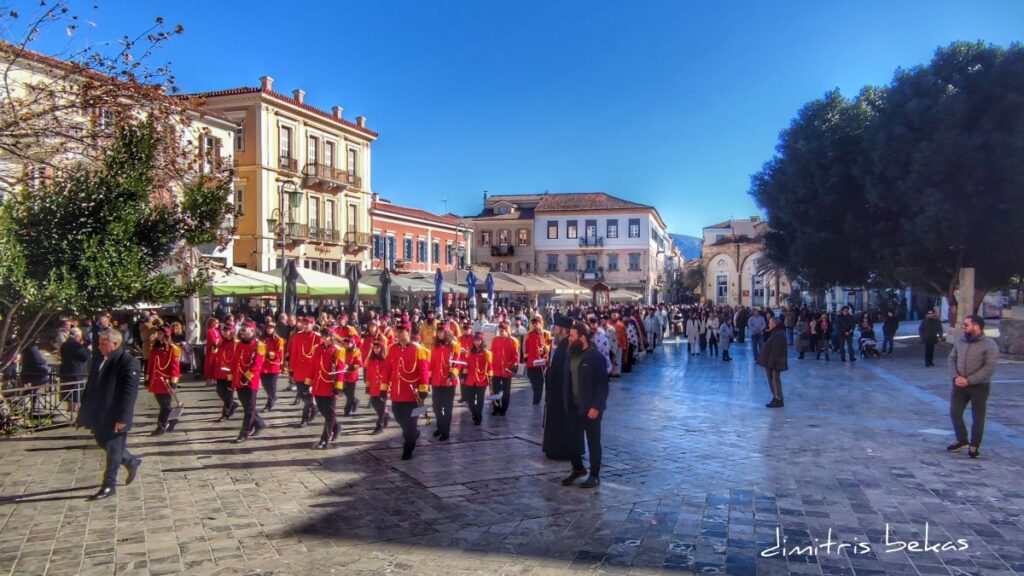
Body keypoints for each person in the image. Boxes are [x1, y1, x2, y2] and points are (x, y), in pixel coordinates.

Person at [77, 328, 142, 501]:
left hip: (115, 413)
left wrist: (123, 419)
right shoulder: (101, 359)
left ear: (115, 344)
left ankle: (109, 485)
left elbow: (129, 394)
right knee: (101, 440)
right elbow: (93, 383)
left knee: (113, 450)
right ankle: (130, 460)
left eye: (103, 343)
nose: (99, 347)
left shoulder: (128, 362)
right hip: (99, 411)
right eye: (99, 343)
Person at [561, 323, 609, 489]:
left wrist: (596, 406)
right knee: (572, 440)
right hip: (574, 407)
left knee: (593, 442)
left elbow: (603, 385)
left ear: (582, 337)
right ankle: (578, 468)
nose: (569, 338)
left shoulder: (595, 357)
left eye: (572, 335)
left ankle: (594, 475)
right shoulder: (571, 355)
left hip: (590, 409)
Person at [946, 315, 998, 459]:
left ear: (976, 326)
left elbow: (989, 368)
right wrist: (955, 377)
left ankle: (974, 445)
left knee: (978, 418)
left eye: (966, 324)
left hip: (979, 386)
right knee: (955, 412)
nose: (964, 327)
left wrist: (969, 380)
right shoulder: (960, 341)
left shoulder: (989, 344)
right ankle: (962, 439)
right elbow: (951, 359)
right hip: (959, 385)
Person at [383, 323, 430, 460]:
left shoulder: (418, 349)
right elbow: (387, 370)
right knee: (398, 417)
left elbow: (424, 370)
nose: (400, 334)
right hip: (397, 393)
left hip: (413, 394)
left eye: (403, 332)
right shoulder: (391, 349)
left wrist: (423, 389)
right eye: (398, 332)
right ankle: (413, 434)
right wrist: (383, 389)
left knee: (411, 422)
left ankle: (408, 449)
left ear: (408, 332)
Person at [543, 314, 575, 459]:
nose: (554, 331)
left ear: (563, 331)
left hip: (561, 397)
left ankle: (559, 451)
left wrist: (549, 374)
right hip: (556, 395)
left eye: (556, 328)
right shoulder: (561, 346)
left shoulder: (567, 348)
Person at [231, 321, 266, 443]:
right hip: (239, 381)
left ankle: (244, 433)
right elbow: (235, 362)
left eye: (244, 330)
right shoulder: (239, 344)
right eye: (241, 330)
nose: (242, 332)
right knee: (247, 407)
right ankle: (259, 423)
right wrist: (232, 379)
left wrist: (246, 378)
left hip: (251, 382)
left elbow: (257, 365)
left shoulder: (259, 345)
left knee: (249, 409)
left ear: (252, 331)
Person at [310, 326, 344, 449]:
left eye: (326, 336)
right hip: (318, 385)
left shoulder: (337, 350)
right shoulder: (317, 349)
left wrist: (338, 386)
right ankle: (336, 427)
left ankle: (325, 438)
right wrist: (309, 381)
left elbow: (340, 369)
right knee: (322, 409)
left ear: (331, 337)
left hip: (330, 385)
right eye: (322, 336)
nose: (323, 338)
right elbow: (313, 366)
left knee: (329, 414)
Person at [146, 326, 181, 435]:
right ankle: (173, 419)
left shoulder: (173, 349)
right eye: (158, 333)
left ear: (166, 335)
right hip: (155, 381)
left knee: (165, 406)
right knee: (164, 405)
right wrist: (147, 378)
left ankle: (161, 426)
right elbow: (150, 365)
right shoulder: (155, 348)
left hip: (166, 382)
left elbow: (175, 368)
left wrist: (173, 383)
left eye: (160, 334)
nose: (158, 336)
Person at [288, 317, 321, 426]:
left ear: (313, 324)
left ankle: (304, 419)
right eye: (303, 324)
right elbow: (294, 354)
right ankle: (315, 407)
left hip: (311, 372)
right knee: (302, 394)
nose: (305, 326)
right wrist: (291, 369)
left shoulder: (318, 338)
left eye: (307, 324)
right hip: (299, 371)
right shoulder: (297, 336)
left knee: (307, 396)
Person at [429, 328, 460, 440]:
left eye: (441, 331)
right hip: (437, 380)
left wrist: (451, 377)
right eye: (438, 331)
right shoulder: (435, 345)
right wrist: (428, 378)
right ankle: (440, 426)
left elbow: (457, 364)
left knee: (447, 407)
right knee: (436, 406)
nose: (439, 334)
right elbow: (431, 362)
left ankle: (445, 431)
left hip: (449, 382)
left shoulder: (454, 346)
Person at [757, 317, 788, 408]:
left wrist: (770, 364)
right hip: (772, 363)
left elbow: (775, 351)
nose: (769, 325)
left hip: (775, 363)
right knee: (773, 381)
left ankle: (778, 399)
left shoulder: (778, 334)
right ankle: (776, 397)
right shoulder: (776, 333)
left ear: (774, 324)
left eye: (770, 323)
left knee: (775, 381)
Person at [490, 322, 520, 416]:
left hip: (507, 371)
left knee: (506, 392)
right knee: (495, 390)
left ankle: (503, 409)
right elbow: (492, 353)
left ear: (507, 330)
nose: (501, 332)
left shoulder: (513, 341)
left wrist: (514, 366)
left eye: (502, 330)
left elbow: (516, 356)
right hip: (496, 370)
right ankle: (496, 408)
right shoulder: (495, 340)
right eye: (500, 330)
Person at [59, 327, 91, 413]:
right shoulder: (75, 345)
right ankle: (73, 412)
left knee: (69, 394)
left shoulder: (65, 344)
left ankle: (71, 410)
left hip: (66, 372)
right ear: (77, 336)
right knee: (75, 395)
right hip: (76, 373)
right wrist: (88, 349)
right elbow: (85, 357)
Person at [464, 331, 493, 426]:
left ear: (482, 341)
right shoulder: (469, 352)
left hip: (482, 379)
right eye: (475, 340)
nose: (477, 342)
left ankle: (478, 417)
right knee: (470, 400)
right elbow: (466, 366)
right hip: (470, 379)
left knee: (480, 400)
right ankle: (475, 413)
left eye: (479, 340)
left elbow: (490, 366)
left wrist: (490, 376)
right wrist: (463, 376)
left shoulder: (487, 353)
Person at [364, 335, 390, 434]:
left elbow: (388, 375)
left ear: (382, 348)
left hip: (383, 387)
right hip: (374, 387)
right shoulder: (371, 360)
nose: (376, 349)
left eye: (378, 348)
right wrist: (368, 386)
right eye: (374, 348)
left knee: (382, 407)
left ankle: (379, 426)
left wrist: (387, 388)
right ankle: (386, 416)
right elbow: (369, 374)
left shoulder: (386, 360)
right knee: (375, 405)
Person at [260, 322, 286, 413]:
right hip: (263, 366)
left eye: (271, 328)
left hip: (273, 366)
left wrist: (268, 354)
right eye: (268, 328)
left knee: (272, 386)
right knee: (264, 384)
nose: (269, 329)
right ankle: (273, 396)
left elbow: (279, 353)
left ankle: (269, 404)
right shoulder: (261, 338)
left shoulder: (278, 340)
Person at [524, 317, 550, 405]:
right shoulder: (528, 334)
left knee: (540, 381)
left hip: (541, 363)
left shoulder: (546, 334)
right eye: (533, 323)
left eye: (537, 323)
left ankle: (537, 398)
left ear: (540, 323)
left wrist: (545, 350)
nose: (535, 325)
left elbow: (549, 347)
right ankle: (536, 395)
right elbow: (525, 349)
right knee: (533, 380)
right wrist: (525, 361)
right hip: (531, 362)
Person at [339, 334, 363, 416]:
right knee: (344, 391)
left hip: (352, 376)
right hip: (342, 375)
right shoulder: (341, 350)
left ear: (352, 343)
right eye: (345, 343)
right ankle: (355, 401)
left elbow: (359, 364)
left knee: (350, 395)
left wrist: (349, 367)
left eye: (349, 343)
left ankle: (347, 410)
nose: (347, 345)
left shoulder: (356, 351)